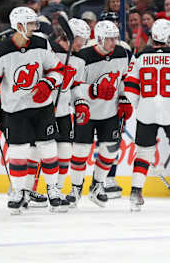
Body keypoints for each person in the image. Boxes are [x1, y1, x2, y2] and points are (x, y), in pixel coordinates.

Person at [0, 6, 67, 214]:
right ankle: (19, 191)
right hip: (14, 109)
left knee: (47, 148)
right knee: (18, 151)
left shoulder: (41, 43)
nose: (34, 27)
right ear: (19, 26)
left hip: (41, 107)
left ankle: (53, 189)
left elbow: (58, 70)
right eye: (31, 24)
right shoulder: (2, 49)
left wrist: (48, 84)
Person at [124, 19, 170, 211]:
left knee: (143, 153)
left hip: (146, 111)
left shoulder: (139, 57)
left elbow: (130, 88)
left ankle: (135, 192)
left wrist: (139, 106)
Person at [67, 20, 132, 208]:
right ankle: (76, 188)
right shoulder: (84, 56)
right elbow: (75, 85)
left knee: (110, 150)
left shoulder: (121, 53)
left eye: (115, 38)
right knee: (79, 151)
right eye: (110, 39)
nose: (114, 43)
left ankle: (97, 186)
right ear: (100, 39)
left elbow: (122, 80)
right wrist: (93, 90)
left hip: (109, 113)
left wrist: (124, 98)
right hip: (85, 111)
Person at [48, 18, 91, 202]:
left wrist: (80, 101)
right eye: (82, 40)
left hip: (64, 111)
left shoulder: (79, 59)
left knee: (65, 150)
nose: (84, 44)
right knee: (38, 152)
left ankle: (57, 189)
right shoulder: (48, 51)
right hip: (43, 111)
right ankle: (26, 189)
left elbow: (75, 85)